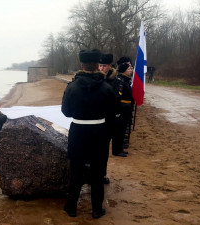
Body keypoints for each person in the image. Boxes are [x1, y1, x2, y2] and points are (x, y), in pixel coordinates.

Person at [61, 49, 117, 219]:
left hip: (78, 132)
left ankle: (71, 207)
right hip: (99, 132)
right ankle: (96, 209)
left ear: (82, 64)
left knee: (76, 171)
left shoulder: (72, 87)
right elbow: (114, 110)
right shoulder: (107, 87)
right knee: (97, 173)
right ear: (97, 65)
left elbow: (66, 112)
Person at [98, 53, 117, 184]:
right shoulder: (96, 79)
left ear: (109, 66)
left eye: (103, 65)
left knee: (104, 151)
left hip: (107, 122)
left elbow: (115, 104)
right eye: (99, 65)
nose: (101, 68)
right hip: (95, 120)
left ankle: (102, 173)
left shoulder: (114, 81)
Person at [110, 57, 135, 157]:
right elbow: (117, 97)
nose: (131, 70)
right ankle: (116, 150)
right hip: (122, 110)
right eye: (129, 69)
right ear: (124, 70)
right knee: (118, 132)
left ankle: (120, 148)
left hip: (126, 109)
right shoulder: (120, 81)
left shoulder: (126, 80)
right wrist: (118, 111)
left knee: (123, 130)